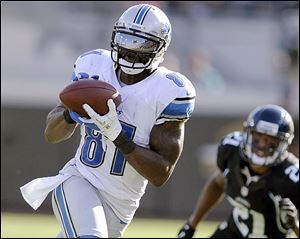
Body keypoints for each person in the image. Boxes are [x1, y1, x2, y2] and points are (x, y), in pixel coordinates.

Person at [20, 4, 196, 238]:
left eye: (144, 44)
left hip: (122, 203)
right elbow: (51, 134)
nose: (130, 50)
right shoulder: (94, 67)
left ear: (161, 48)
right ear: (115, 37)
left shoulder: (169, 91)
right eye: (126, 39)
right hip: (79, 180)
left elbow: (160, 174)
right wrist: (71, 115)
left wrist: (118, 135)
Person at [178, 104, 299, 238]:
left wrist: (294, 224)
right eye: (258, 136)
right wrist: (192, 224)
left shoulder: (292, 177)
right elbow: (218, 183)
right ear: (248, 133)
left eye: (271, 140)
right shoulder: (232, 151)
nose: (262, 145)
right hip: (234, 231)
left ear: (283, 144)